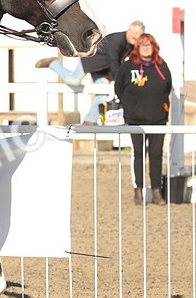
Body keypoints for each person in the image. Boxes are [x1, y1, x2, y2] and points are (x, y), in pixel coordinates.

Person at [36, 20, 146, 124]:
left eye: (139, 35)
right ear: (129, 30)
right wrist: (118, 81)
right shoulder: (117, 39)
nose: (137, 37)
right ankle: (53, 63)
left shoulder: (132, 45)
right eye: (135, 33)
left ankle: (89, 120)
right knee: (73, 80)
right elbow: (114, 62)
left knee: (102, 92)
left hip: (103, 70)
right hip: (91, 60)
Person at [114, 33, 173, 205]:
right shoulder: (128, 66)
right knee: (138, 154)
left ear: (154, 47)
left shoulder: (162, 66)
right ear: (137, 48)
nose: (146, 48)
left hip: (158, 119)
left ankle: (156, 191)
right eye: (143, 45)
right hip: (136, 119)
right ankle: (138, 191)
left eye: (149, 45)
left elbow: (167, 86)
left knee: (156, 154)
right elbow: (119, 87)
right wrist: (130, 105)